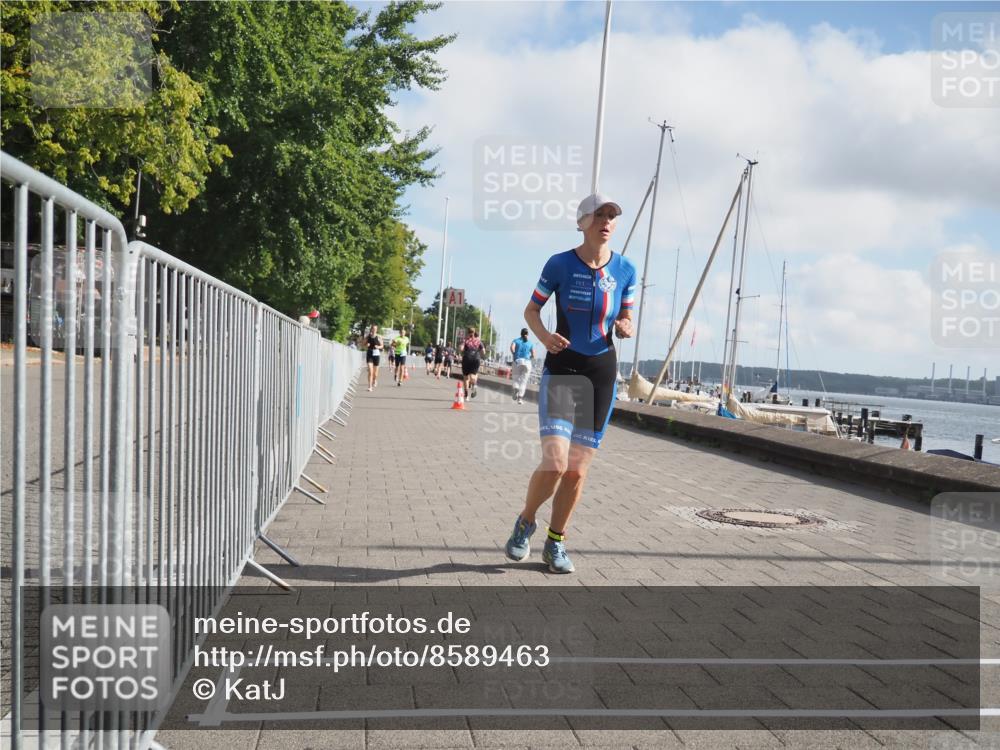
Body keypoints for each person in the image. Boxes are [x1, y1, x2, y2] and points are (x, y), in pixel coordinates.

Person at [504, 193, 636, 574]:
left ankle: (555, 542)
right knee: (557, 463)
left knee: (578, 470)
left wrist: (626, 326)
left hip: (600, 372)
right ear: (581, 223)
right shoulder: (559, 264)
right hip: (562, 367)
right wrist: (545, 337)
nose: (606, 221)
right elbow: (532, 309)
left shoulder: (626, 269)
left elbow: (627, 316)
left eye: (612, 215)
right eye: (599, 215)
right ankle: (525, 522)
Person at [509, 328, 535, 404]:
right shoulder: (530, 343)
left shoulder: (516, 341)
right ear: (528, 334)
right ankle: (520, 399)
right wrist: (529, 358)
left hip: (517, 361)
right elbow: (533, 355)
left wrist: (514, 354)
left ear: (521, 333)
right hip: (527, 363)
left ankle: (516, 388)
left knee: (516, 379)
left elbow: (512, 348)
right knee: (524, 382)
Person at [459, 327, 485, 398]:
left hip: (467, 358)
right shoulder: (478, 341)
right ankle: (475, 385)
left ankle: (466, 393)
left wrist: (462, 348)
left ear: (468, 332)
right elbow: (483, 351)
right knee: (473, 375)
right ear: (474, 332)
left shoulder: (465, 340)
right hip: (476, 358)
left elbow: (461, 349)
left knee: (466, 377)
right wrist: (481, 356)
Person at [365, 325, 383, 391]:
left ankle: (375, 380)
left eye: (375, 329)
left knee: (375, 374)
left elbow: (382, 346)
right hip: (369, 354)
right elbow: (363, 344)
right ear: (371, 329)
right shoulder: (368, 336)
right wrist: (366, 345)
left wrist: (378, 347)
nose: (374, 330)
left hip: (376, 355)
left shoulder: (379, 337)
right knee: (370, 371)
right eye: (373, 329)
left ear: (377, 330)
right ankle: (370, 387)